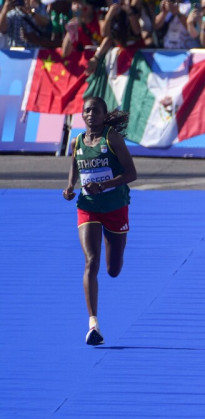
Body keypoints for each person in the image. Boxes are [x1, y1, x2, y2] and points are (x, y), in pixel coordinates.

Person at [62, 96, 137, 346]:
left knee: (113, 269)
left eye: (95, 110)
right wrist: (70, 186)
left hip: (115, 207)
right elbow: (75, 165)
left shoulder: (111, 138)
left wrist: (103, 184)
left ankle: (113, 244)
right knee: (90, 261)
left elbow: (132, 173)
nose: (90, 113)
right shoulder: (77, 142)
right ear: (82, 116)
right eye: (86, 110)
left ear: (104, 116)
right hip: (88, 207)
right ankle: (93, 323)